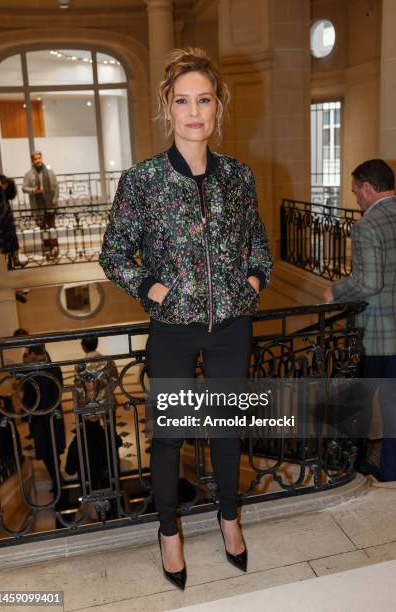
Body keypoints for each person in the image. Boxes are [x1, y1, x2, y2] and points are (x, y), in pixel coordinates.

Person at [100, 47, 273, 589]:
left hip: (231, 324)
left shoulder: (239, 177)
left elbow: (260, 250)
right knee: (171, 433)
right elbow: (114, 253)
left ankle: (229, 519)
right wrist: (155, 290)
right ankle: (168, 531)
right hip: (173, 326)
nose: (194, 111)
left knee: (225, 428)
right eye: (182, 101)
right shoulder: (144, 180)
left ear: (218, 106)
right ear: (167, 109)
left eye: (204, 99)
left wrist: (251, 284)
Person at [324, 159, 396, 481]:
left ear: (368, 187)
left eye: (356, 192)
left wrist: (335, 291)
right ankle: (392, 475)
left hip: (377, 339)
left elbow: (368, 284)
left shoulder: (367, 226)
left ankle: (352, 471)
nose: (357, 199)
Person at [21, 344, 66, 493]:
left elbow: (28, 396)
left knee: (47, 452)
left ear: (34, 353)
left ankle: (57, 479)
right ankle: (57, 478)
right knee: (54, 450)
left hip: (40, 417)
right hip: (54, 415)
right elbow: (59, 389)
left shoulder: (32, 371)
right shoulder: (54, 367)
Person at [22, 151, 59, 259]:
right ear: (32, 161)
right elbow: (24, 188)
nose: (38, 160)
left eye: (39, 158)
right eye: (35, 159)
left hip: (49, 204)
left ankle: (54, 248)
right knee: (43, 228)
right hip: (38, 206)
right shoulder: (28, 174)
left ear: (42, 158)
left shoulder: (50, 171)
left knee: (52, 227)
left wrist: (55, 199)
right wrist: (34, 190)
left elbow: (56, 187)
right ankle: (48, 248)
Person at [0, 156, 19, 268]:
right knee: (0, 240)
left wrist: (10, 184)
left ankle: (14, 260)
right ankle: (2, 263)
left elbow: (10, 194)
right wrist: (0, 188)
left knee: (10, 237)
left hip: (6, 212)